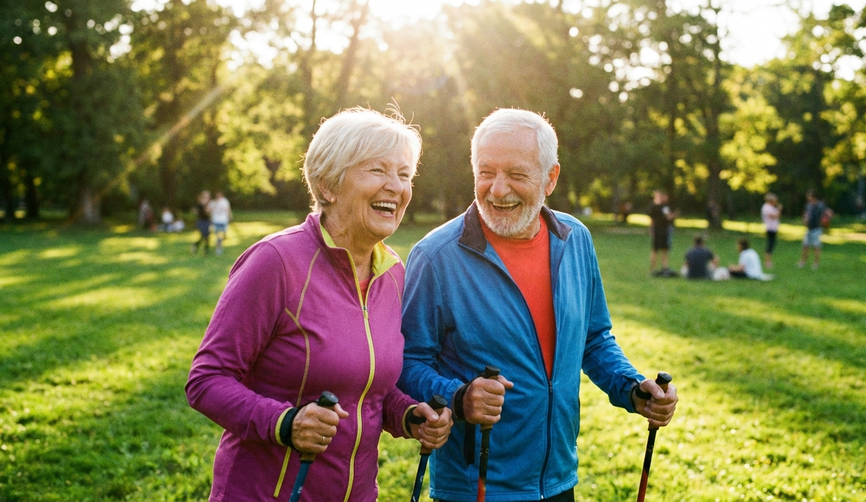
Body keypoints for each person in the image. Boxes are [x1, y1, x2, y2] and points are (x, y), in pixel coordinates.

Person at [398, 109, 678, 502]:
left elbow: (594, 339)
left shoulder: (575, 239)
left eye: (516, 174)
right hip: (475, 488)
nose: (498, 190)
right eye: (486, 172)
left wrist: (633, 388)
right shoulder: (435, 257)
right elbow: (406, 363)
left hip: (558, 479)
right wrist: (459, 396)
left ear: (550, 178)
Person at [185, 107, 452, 502]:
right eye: (377, 170)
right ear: (327, 186)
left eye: (404, 174)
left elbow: (368, 391)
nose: (395, 186)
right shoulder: (275, 262)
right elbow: (206, 380)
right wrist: (285, 423)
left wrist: (409, 415)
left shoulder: (393, 273)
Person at [648, 190, 678, 277]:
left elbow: (652, 220)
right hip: (662, 230)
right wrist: (675, 214)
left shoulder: (655, 206)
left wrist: (651, 229)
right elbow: (668, 217)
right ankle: (663, 267)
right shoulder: (661, 207)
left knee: (658, 249)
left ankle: (657, 268)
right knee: (660, 250)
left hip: (660, 230)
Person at [798, 190, 827, 270]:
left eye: (809, 196)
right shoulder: (808, 205)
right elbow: (805, 215)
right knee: (805, 246)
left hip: (817, 228)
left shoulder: (820, 205)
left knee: (816, 246)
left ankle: (816, 263)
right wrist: (804, 219)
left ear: (813, 197)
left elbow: (826, 215)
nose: (808, 198)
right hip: (809, 228)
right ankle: (802, 262)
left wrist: (824, 222)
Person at [760, 192, 781, 268]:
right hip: (770, 228)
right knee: (770, 245)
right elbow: (774, 216)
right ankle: (767, 261)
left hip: (773, 228)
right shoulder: (767, 207)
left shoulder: (770, 207)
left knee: (771, 245)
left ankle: (768, 261)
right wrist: (779, 209)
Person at [192, 190, 212, 255]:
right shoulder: (200, 203)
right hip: (201, 221)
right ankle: (195, 245)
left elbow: (209, 213)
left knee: (207, 236)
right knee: (204, 235)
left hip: (207, 221)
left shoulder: (209, 204)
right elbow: (195, 210)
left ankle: (205, 250)